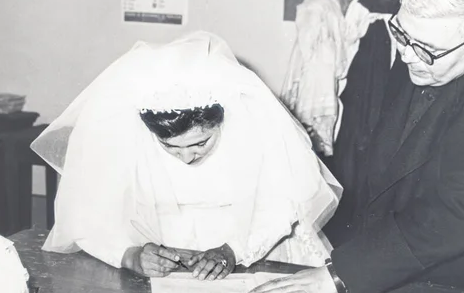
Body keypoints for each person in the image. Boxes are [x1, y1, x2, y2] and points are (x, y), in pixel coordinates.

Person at [249, 0, 464, 293]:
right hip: (397, 266)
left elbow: (457, 213)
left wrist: (342, 274)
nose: (407, 55)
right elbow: (389, 164)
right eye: (402, 34)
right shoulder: (424, 48)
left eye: (426, 50)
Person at [31, 31, 342, 280]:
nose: (187, 158)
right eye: (170, 147)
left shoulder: (251, 127)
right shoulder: (130, 135)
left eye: (200, 143)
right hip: (164, 266)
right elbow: (88, 213)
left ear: (222, 120)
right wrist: (130, 255)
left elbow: (283, 201)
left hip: (258, 253)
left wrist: (234, 250)